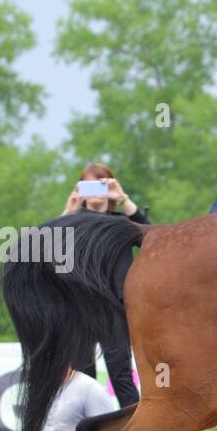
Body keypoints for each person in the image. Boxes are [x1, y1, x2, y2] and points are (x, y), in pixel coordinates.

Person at [64, 162, 148, 407]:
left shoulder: (121, 223)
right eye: (90, 184)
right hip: (80, 306)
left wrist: (122, 198)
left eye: (101, 183)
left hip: (115, 306)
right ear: (80, 189)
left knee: (121, 373)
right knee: (82, 376)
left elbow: (150, 236)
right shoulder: (73, 222)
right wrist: (68, 211)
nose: (97, 191)